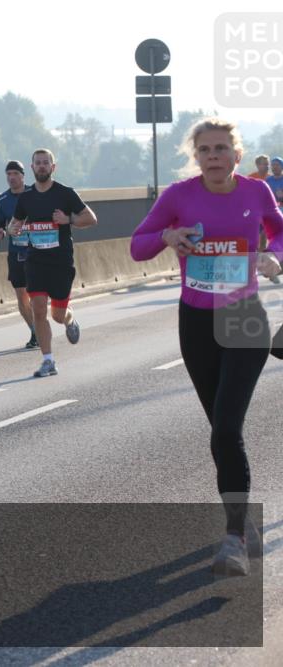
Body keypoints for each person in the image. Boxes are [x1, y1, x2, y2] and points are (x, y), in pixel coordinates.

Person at [130, 117, 283, 576]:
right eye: (205, 150)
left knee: (226, 428)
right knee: (220, 427)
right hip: (196, 322)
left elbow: (280, 231)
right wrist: (167, 237)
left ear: (237, 155)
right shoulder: (178, 196)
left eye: (221, 149)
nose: (213, 157)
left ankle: (234, 538)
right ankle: (241, 521)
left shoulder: (257, 193)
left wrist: (274, 255)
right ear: (195, 156)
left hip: (243, 318)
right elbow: (137, 246)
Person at [8, 149, 98, 377]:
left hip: (61, 262)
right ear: (32, 168)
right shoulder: (26, 198)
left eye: (45, 163)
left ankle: (69, 319)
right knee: (38, 309)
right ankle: (48, 360)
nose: (41, 166)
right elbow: (14, 223)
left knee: (57, 315)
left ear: (53, 167)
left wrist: (69, 219)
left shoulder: (65, 194)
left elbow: (91, 218)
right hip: (36, 260)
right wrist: (12, 228)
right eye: (37, 163)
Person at [0, 160, 37, 349]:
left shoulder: (34, 194)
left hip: (37, 250)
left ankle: (44, 323)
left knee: (36, 294)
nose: (11, 178)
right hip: (16, 252)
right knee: (21, 296)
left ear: (23, 176)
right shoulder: (1, 200)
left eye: (15, 174)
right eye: (8, 174)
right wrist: (0, 232)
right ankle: (35, 332)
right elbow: (0, 225)